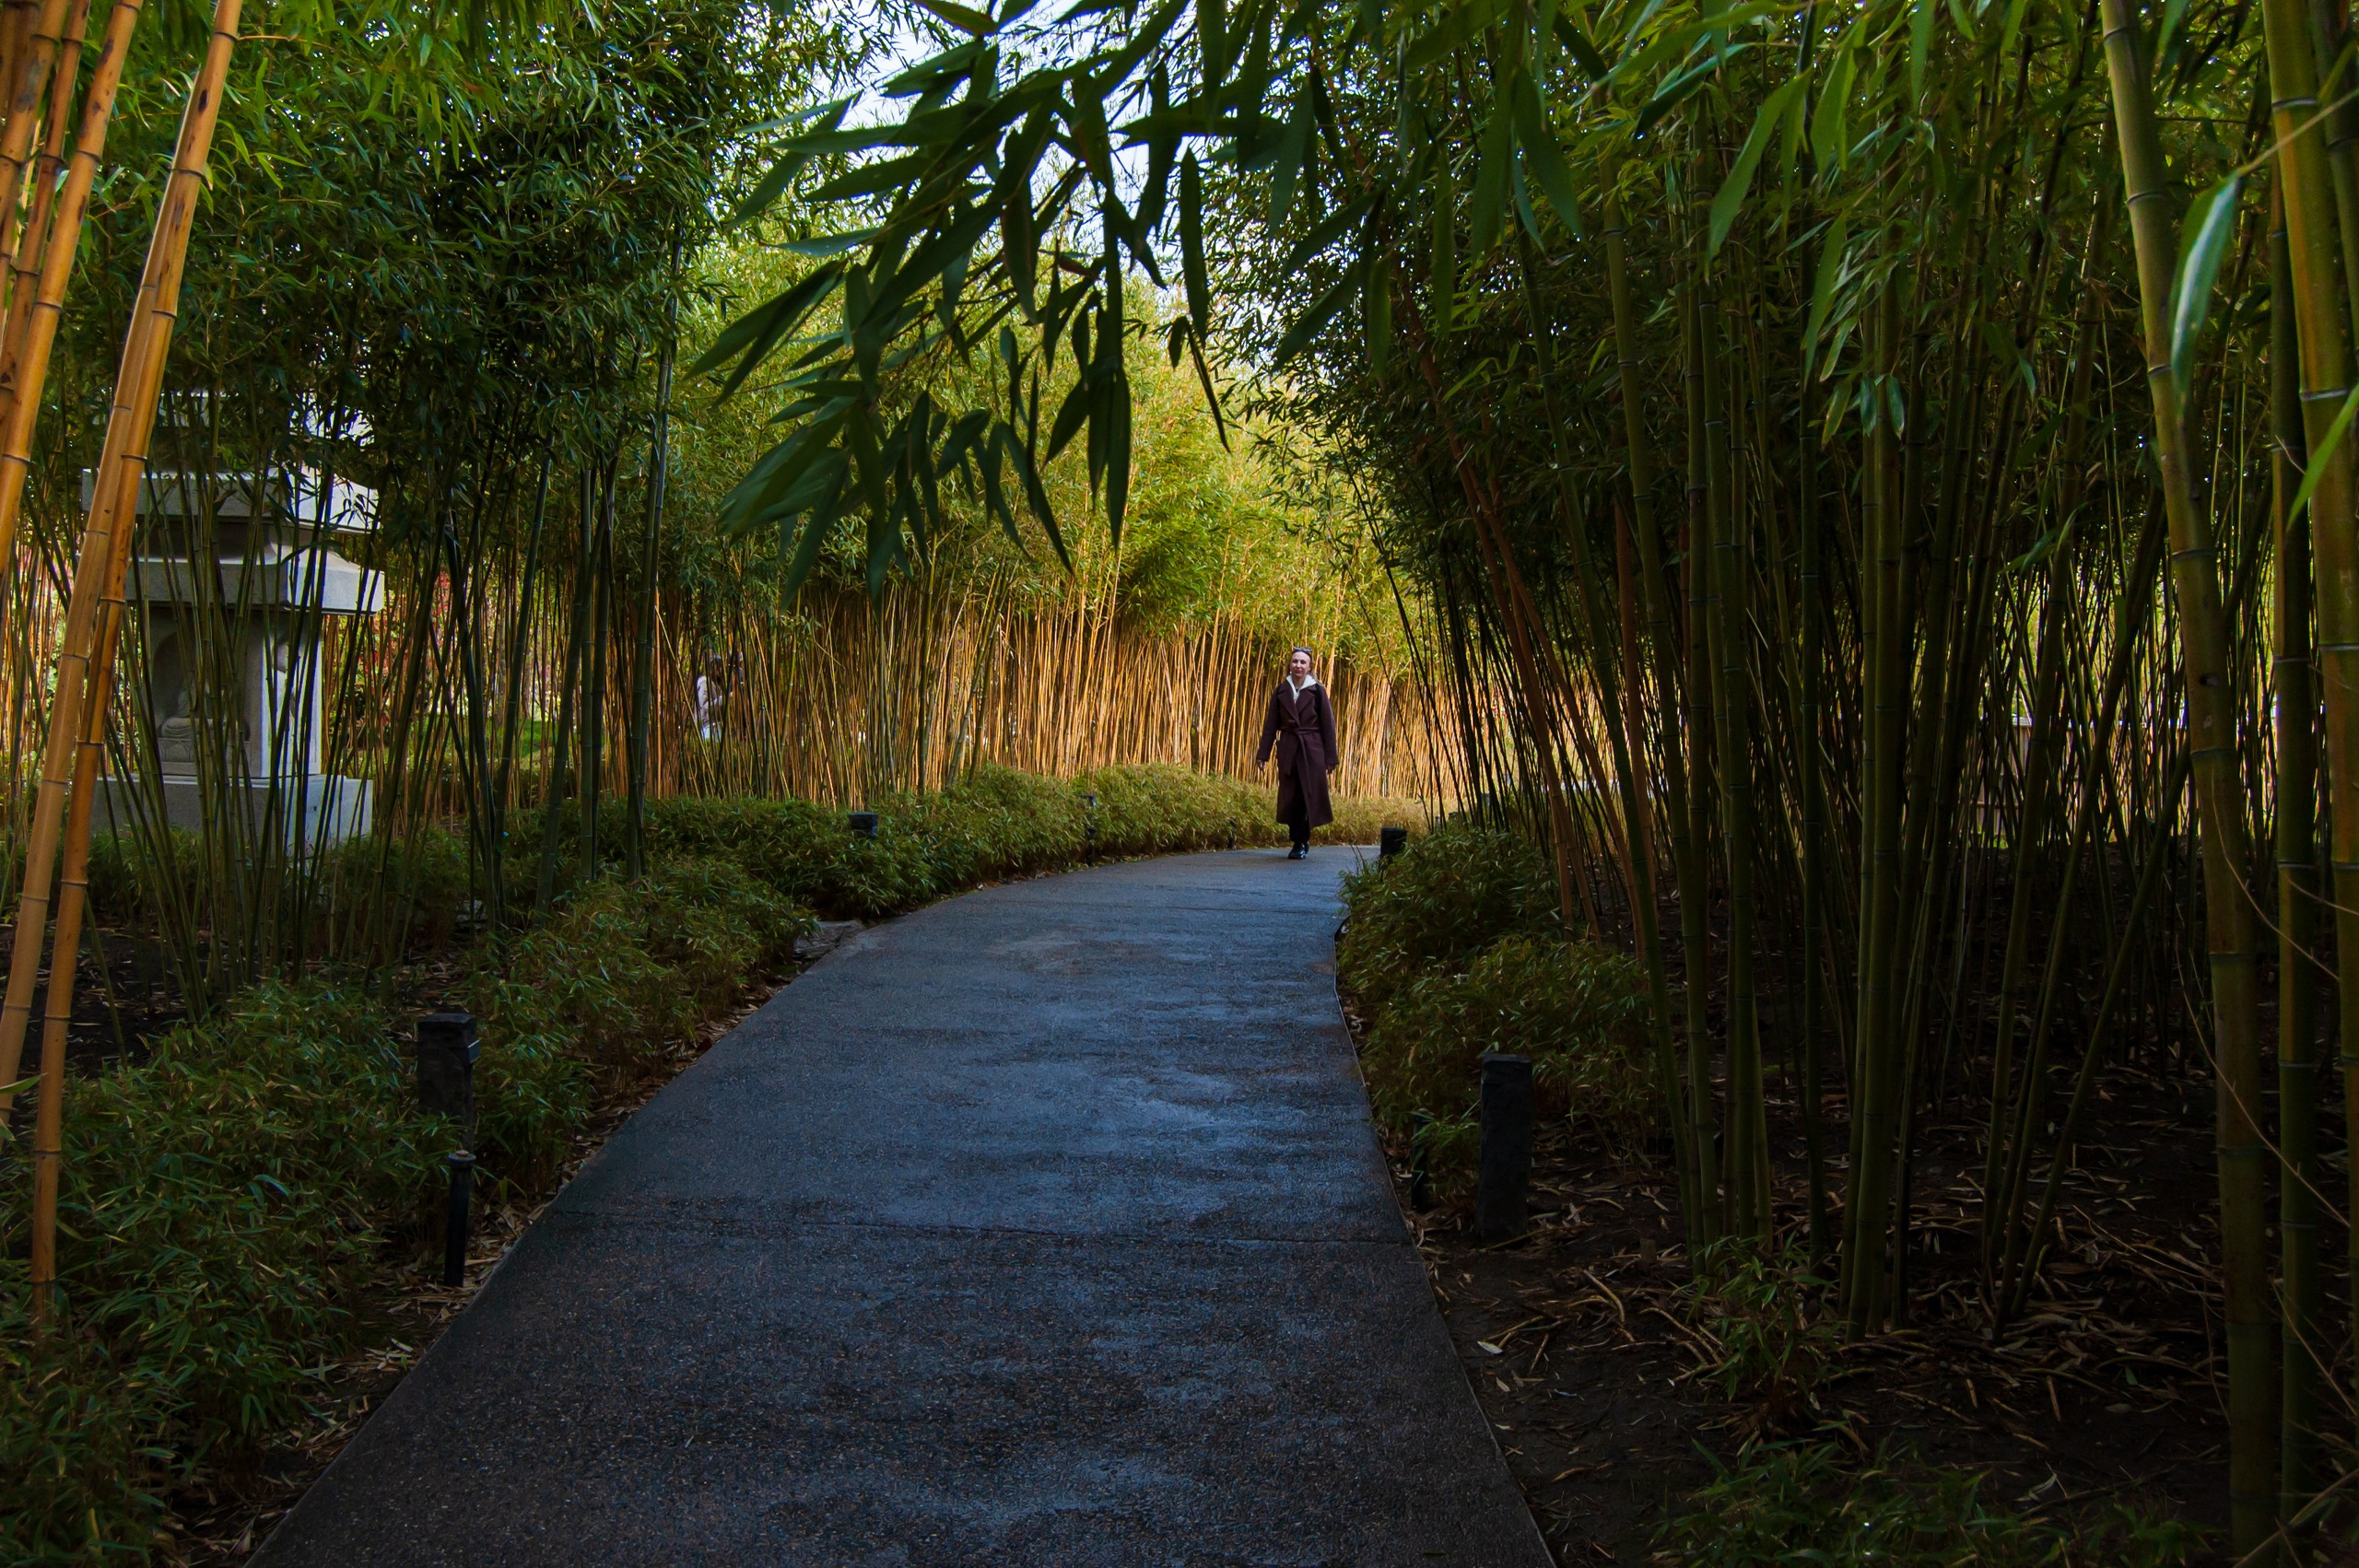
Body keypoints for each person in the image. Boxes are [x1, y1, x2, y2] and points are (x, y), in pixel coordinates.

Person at [1255, 646, 1338, 860]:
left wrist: (1331, 758)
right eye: (1295, 661)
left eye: (1302, 662)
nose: (1298, 665)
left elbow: (1328, 726)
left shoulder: (1317, 691)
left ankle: (1299, 842)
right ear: (1289, 665)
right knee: (1291, 796)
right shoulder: (1281, 691)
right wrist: (1263, 754)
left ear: (1310, 667)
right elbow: (1271, 724)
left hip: (1312, 749)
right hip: (1289, 748)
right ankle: (1299, 838)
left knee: (1306, 795)